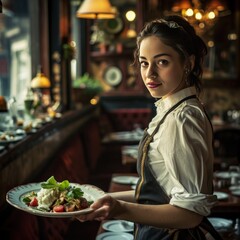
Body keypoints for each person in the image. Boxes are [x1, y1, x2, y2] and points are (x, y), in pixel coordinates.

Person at [77, 15, 221, 239]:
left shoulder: (182, 118)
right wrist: (103, 199)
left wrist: (120, 210)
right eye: (144, 62)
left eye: (162, 62)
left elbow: (189, 214)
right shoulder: (174, 110)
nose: (149, 73)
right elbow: (157, 194)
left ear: (188, 63)